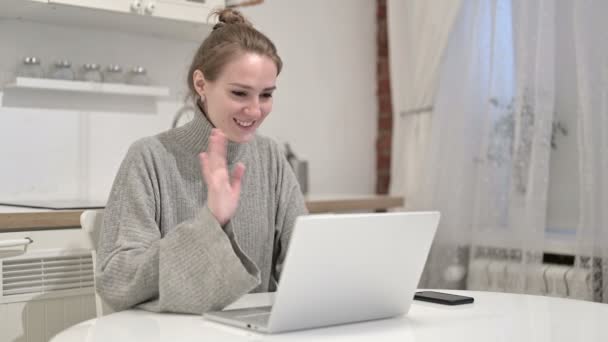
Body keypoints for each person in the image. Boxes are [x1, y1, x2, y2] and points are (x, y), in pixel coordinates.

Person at [96, 8, 308, 315]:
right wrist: (210, 222)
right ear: (201, 84)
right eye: (239, 93)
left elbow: (302, 263)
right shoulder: (149, 157)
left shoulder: (270, 157)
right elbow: (117, 280)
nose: (255, 110)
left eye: (266, 95)